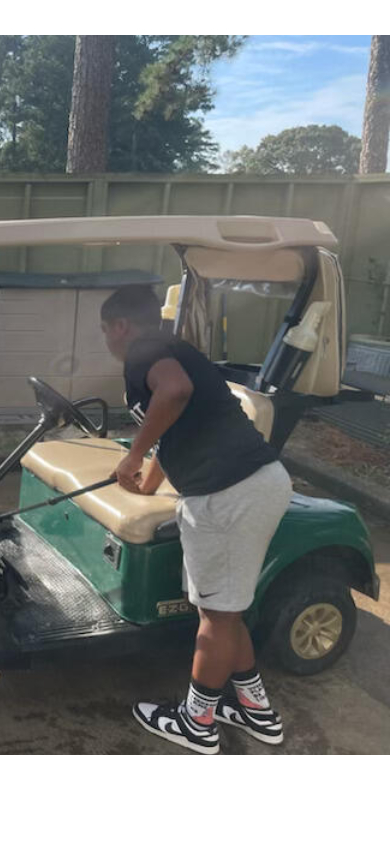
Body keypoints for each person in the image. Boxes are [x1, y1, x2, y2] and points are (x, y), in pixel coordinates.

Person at [100, 284, 292, 755]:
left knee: (216, 618)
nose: (106, 339)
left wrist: (132, 456)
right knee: (225, 612)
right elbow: (177, 424)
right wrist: (146, 483)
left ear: (121, 326)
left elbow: (176, 392)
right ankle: (257, 712)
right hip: (250, 483)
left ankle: (197, 722)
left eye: (105, 330)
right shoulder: (170, 348)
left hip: (228, 493)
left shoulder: (145, 352)